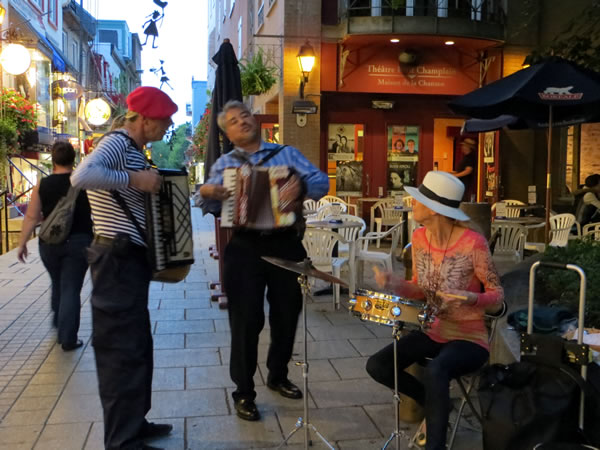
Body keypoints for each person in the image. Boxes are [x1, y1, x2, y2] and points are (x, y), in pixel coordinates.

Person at [199, 100, 329, 422]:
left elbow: (321, 182)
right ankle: (243, 391)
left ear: (254, 121)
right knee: (245, 322)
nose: (241, 121)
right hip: (244, 247)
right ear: (227, 133)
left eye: (244, 115)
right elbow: (206, 201)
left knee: (287, 315)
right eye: (232, 121)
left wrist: (301, 186)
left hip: (286, 243)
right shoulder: (224, 164)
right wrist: (211, 192)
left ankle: (277, 374)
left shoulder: (286, 154)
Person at [71, 86, 177, 450]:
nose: (168, 126)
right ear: (144, 119)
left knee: (135, 345)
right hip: (114, 258)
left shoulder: (131, 148)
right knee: (120, 350)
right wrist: (136, 179)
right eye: (164, 121)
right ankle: (122, 440)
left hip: (126, 260)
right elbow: (81, 177)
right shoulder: (117, 141)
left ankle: (135, 423)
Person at [366, 171, 504, 450]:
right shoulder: (418, 238)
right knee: (378, 365)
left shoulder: (473, 243)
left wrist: (470, 299)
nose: (412, 204)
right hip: (433, 331)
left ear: (434, 210)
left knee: (437, 370)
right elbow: (420, 289)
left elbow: (498, 296)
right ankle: (435, 404)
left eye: (417, 201)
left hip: (469, 338)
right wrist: (396, 284)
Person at [17, 141, 93, 351]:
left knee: (58, 282)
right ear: (73, 158)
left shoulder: (43, 184)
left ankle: (60, 322)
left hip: (49, 243)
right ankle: (68, 337)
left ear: (54, 159)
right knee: (70, 287)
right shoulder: (82, 182)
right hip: (79, 241)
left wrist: (22, 243)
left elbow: (32, 216)